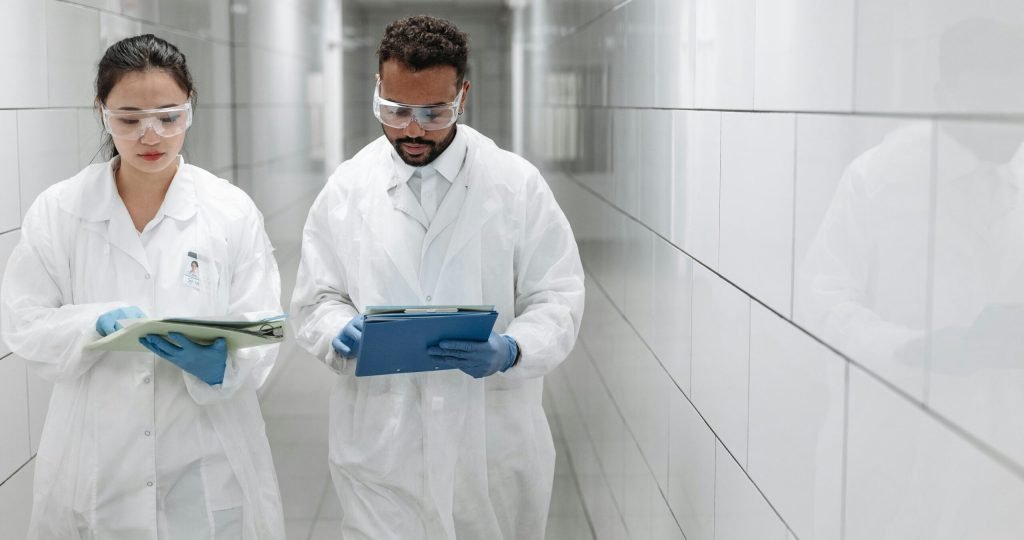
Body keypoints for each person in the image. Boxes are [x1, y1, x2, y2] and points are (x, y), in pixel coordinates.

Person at [290, 15, 585, 539]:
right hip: (383, 444)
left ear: (462, 95)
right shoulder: (348, 189)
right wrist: (336, 328)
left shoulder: (514, 185)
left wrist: (513, 349)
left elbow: (557, 296)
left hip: (490, 442)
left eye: (433, 113)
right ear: (377, 88)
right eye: (396, 110)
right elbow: (317, 298)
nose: (412, 130)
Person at [1, 35, 285, 539]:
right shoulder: (61, 209)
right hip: (97, 462)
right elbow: (22, 321)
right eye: (129, 120)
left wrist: (222, 365)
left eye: (168, 117)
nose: (151, 136)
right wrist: (92, 324)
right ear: (102, 111)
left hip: (204, 455)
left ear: (190, 109)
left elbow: (262, 323)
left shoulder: (228, 210)